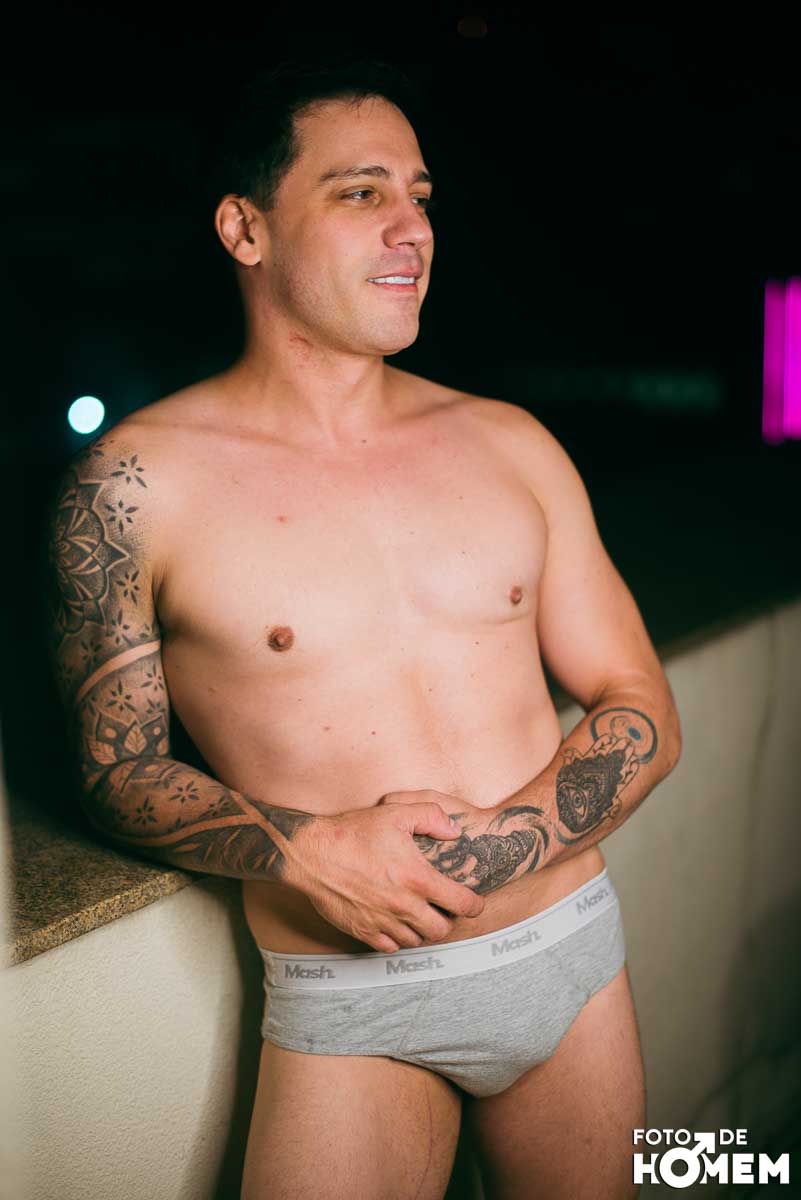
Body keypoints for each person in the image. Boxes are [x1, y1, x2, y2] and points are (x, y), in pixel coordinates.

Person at [45, 55, 681, 1200]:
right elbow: (114, 771)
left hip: (570, 956)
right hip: (355, 999)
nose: (412, 228)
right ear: (245, 228)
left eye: (421, 197)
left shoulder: (510, 443)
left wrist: (505, 844)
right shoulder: (133, 488)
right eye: (361, 192)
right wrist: (311, 852)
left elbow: (641, 707)